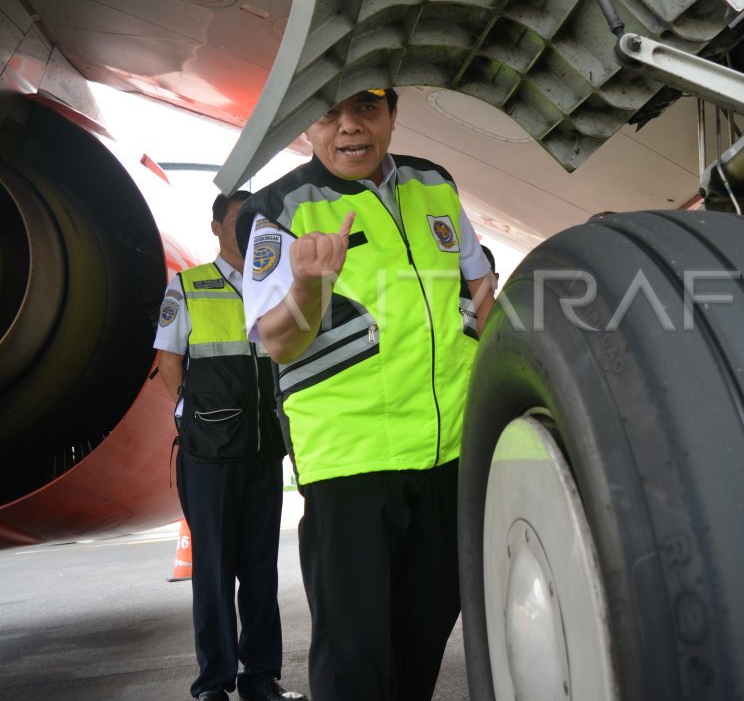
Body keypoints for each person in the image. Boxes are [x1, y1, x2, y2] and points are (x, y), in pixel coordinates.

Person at [236, 87, 496, 700]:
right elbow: (278, 343)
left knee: (423, 633)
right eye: (329, 112)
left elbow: (480, 289)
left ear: (393, 115)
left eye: (367, 109)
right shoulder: (277, 210)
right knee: (355, 654)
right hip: (352, 462)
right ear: (307, 126)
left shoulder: (434, 184)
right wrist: (309, 287)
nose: (349, 127)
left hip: (446, 453)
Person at [155, 192, 306, 701]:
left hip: (264, 451)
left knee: (261, 572)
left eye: (256, 222)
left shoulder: (278, 287)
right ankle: (213, 682)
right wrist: (190, 416)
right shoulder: (190, 287)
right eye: (239, 221)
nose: (246, 230)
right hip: (210, 455)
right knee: (214, 573)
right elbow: (169, 361)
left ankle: (260, 677)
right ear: (218, 227)